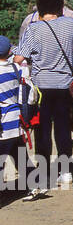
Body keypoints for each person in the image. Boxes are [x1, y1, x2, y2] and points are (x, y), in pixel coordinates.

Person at [13, 0, 73, 198]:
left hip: (41, 87)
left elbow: (19, 59)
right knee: (63, 128)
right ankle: (66, 170)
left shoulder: (34, 29)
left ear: (40, 10)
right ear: (61, 8)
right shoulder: (72, 25)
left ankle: (42, 173)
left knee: (42, 130)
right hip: (64, 85)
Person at [0, 37, 22, 190]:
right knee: (20, 156)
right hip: (17, 118)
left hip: (3, 122)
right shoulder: (16, 68)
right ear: (9, 51)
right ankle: (36, 184)